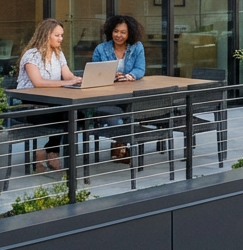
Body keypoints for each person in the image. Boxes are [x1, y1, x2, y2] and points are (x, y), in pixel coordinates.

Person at [17, 18, 82, 172]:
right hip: (30, 104)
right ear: (46, 35)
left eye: (62, 35)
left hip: (52, 100)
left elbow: (67, 76)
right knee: (66, 116)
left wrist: (77, 80)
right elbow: (38, 82)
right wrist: (66, 83)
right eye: (57, 35)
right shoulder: (31, 55)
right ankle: (49, 152)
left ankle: (49, 151)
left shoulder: (58, 53)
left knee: (76, 115)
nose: (61, 39)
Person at [88, 14, 147, 163]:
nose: (118, 35)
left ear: (129, 34)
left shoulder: (137, 47)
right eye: (116, 31)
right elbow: (95, 72)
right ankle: (120, 145)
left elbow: (140, 69)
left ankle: (119, 145)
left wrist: (129, 76)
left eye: (123, 32)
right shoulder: (101, 49)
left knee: (131, 110)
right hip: (107, 95)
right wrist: (110, 76)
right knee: (113, 114)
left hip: (129, 93)